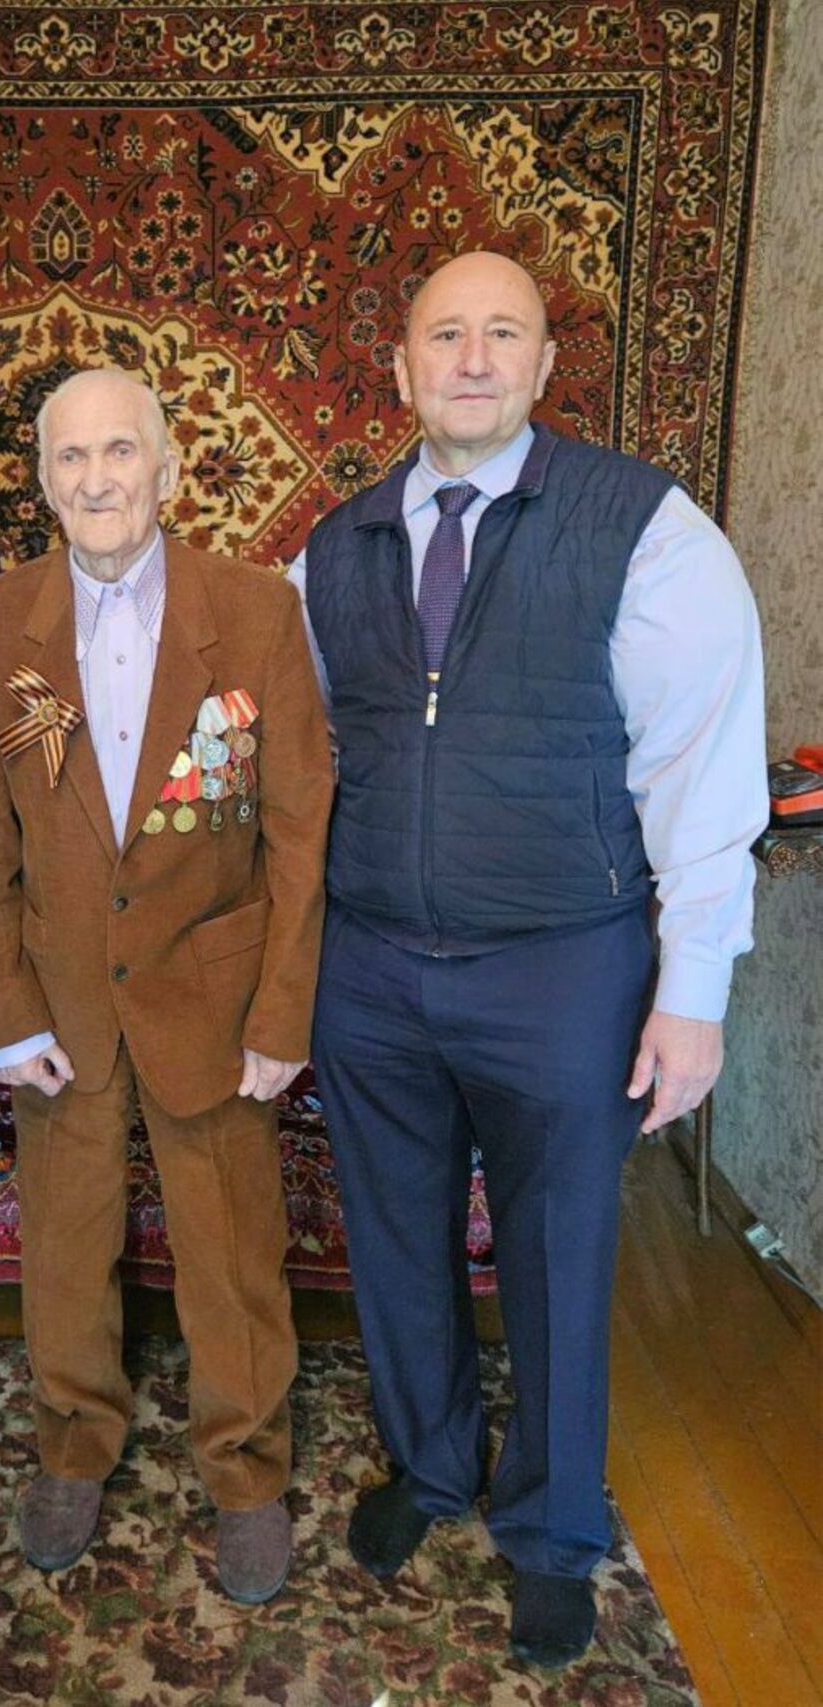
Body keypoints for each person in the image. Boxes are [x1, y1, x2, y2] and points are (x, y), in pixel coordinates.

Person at [290, 251, 766, 1667]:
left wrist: (691, 993)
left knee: (558, 1252)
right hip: (372, 967)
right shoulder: (333, 547)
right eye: (446, 334)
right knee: (393, 1236)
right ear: (401, 368)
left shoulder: (649, 530)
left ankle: (553, 1526)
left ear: (548, 365)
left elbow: (701, 774)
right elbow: (295, 759)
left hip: (563, 968)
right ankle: (432, 1465)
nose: (474, 357)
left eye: (504, 332)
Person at [0, 368, 333, 1604]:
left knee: (231, 1253)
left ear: (168, 470)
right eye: (70, 457)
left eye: (120, 452)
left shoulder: (255, 611)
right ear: (40, 481)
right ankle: (73, 1443)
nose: (96, 478)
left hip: (212, 1000)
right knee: (64, 1246)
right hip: (58, 1002)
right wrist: (6, 1015)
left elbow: (297, 832)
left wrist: (279, 1012)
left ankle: (246, 1471)